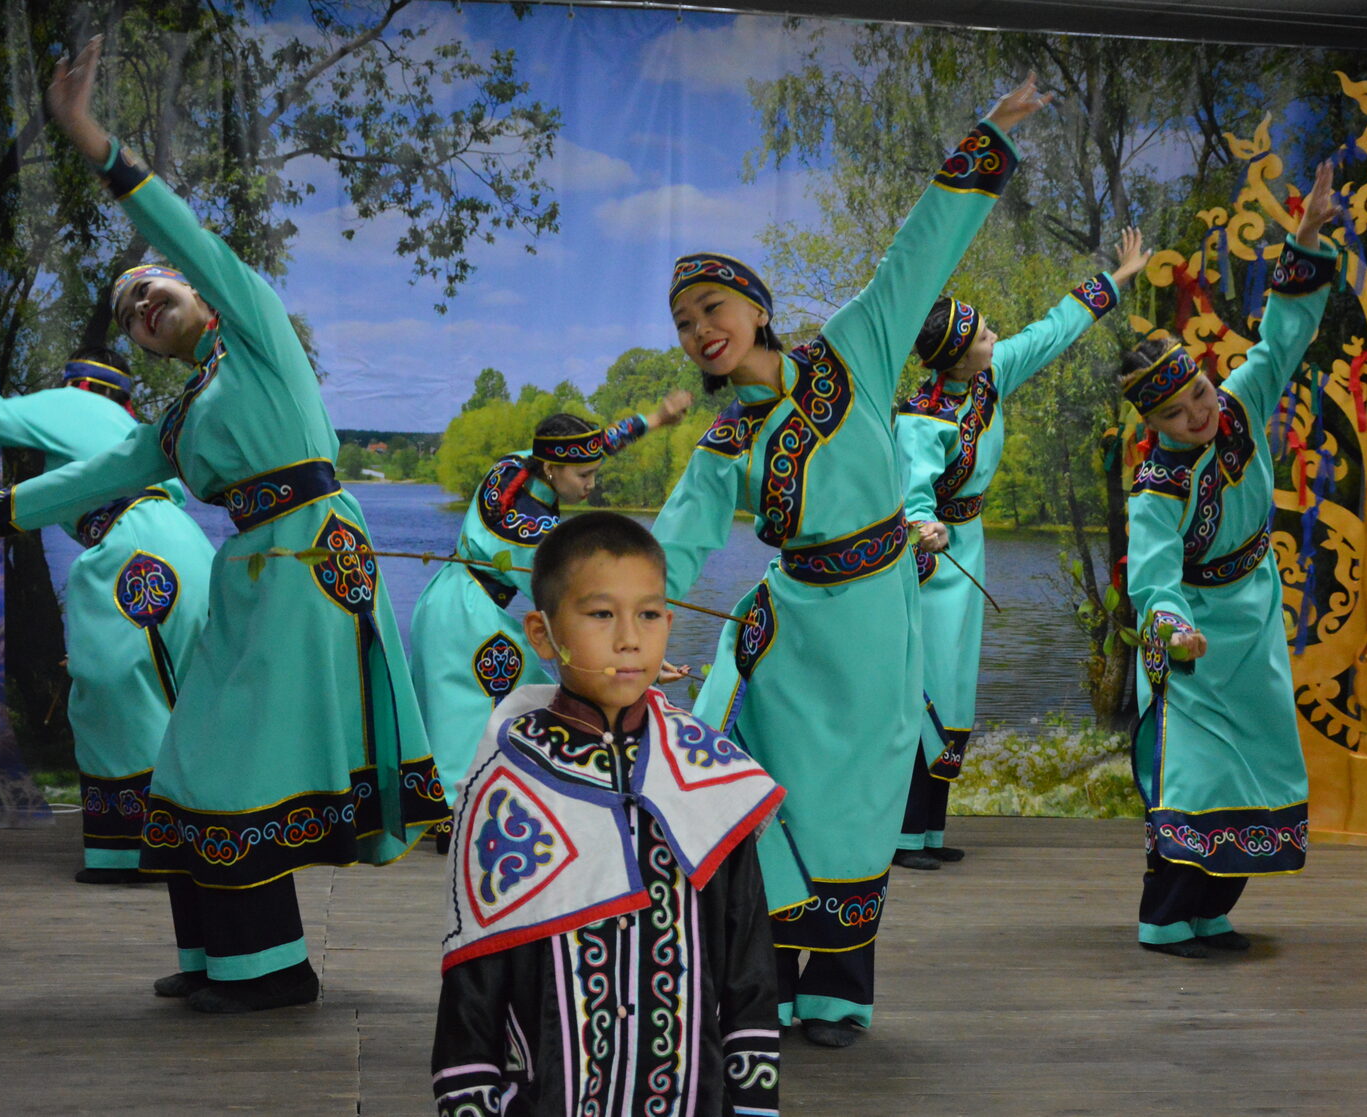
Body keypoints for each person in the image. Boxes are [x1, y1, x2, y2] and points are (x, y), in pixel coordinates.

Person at [0, 37, 445, 1011]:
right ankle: (228, 959)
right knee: (194, 754)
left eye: (155, 289)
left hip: (303, 564)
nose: (142, 307)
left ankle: (270, 971)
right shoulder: (189, 410)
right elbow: (99, 473)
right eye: (128, 311)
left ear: (205, 295)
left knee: (230, 757)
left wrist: (93, 141)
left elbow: (192, 238)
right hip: (257, 573)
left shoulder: (257, 339)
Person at [651, 74, 1048, 1047]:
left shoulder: (856, 349)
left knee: (859, 801)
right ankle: (765, 990)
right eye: (685, 322)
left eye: (713, 306)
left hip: (875, 625)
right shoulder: (728, 441)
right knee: (772, 798)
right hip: (790, 628)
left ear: (752, 307)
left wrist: (986, 136)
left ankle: (837, 996)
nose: (702, 329)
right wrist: (624, 623)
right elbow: (671, 543)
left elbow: (925, 247)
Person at [433, 511, 783, 1116]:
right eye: (600, 614)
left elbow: (748, 962)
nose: (630, 639)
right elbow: (474, 981)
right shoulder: (505, 788)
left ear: (668, 623)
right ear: (541, 634)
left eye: (648, 614)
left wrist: (752, 1104)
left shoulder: (711, 778)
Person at [1124, 162, 1340, 958]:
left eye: (1199, 398)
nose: (1197, 416)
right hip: (1197, 635)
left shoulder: (1242, 401)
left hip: (1252, 612)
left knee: (1259, 756)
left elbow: (1285, 330)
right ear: (1154, 422)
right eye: (1176, 414)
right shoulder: (1157, 485)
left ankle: (1210, 911)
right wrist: (1173, 628)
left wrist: (1306, 235)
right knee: (1200, 773)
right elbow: (1152, 576)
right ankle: (1163, 916)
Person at [894, 228, 1150, 871]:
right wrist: (926, 526)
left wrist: (1115, 281)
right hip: (933, 559)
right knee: (922, 683)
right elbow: (911, 492)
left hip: (968, 542)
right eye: (981, 333)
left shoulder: (990, 376)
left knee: (953, 685)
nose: (994, 334)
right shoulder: (921, 419)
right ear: (954, 360)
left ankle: (925, 832)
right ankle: (899, 833)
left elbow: (1051, 329)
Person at [0, 348, 214, 883]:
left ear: (77, 383)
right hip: (183, 546)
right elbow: (63, 493)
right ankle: (198, 836)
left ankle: (136, 852)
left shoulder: (75, 406)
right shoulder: (129, 424)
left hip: (131, 546)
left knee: (114, 693)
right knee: (178, 691)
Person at [410, 398, 691, 819]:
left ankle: (466, 805)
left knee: (472, 710)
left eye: (594, 472)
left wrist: (657, 418)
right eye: (584, 476)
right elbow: (574, 605)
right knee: (492, 708)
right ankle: (464, 815)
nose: (591, 484)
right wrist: (644, 653)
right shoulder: (533, 533)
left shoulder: (516, 465)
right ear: (551, 470)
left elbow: (601, 442)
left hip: (446, 598)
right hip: (471, 619)